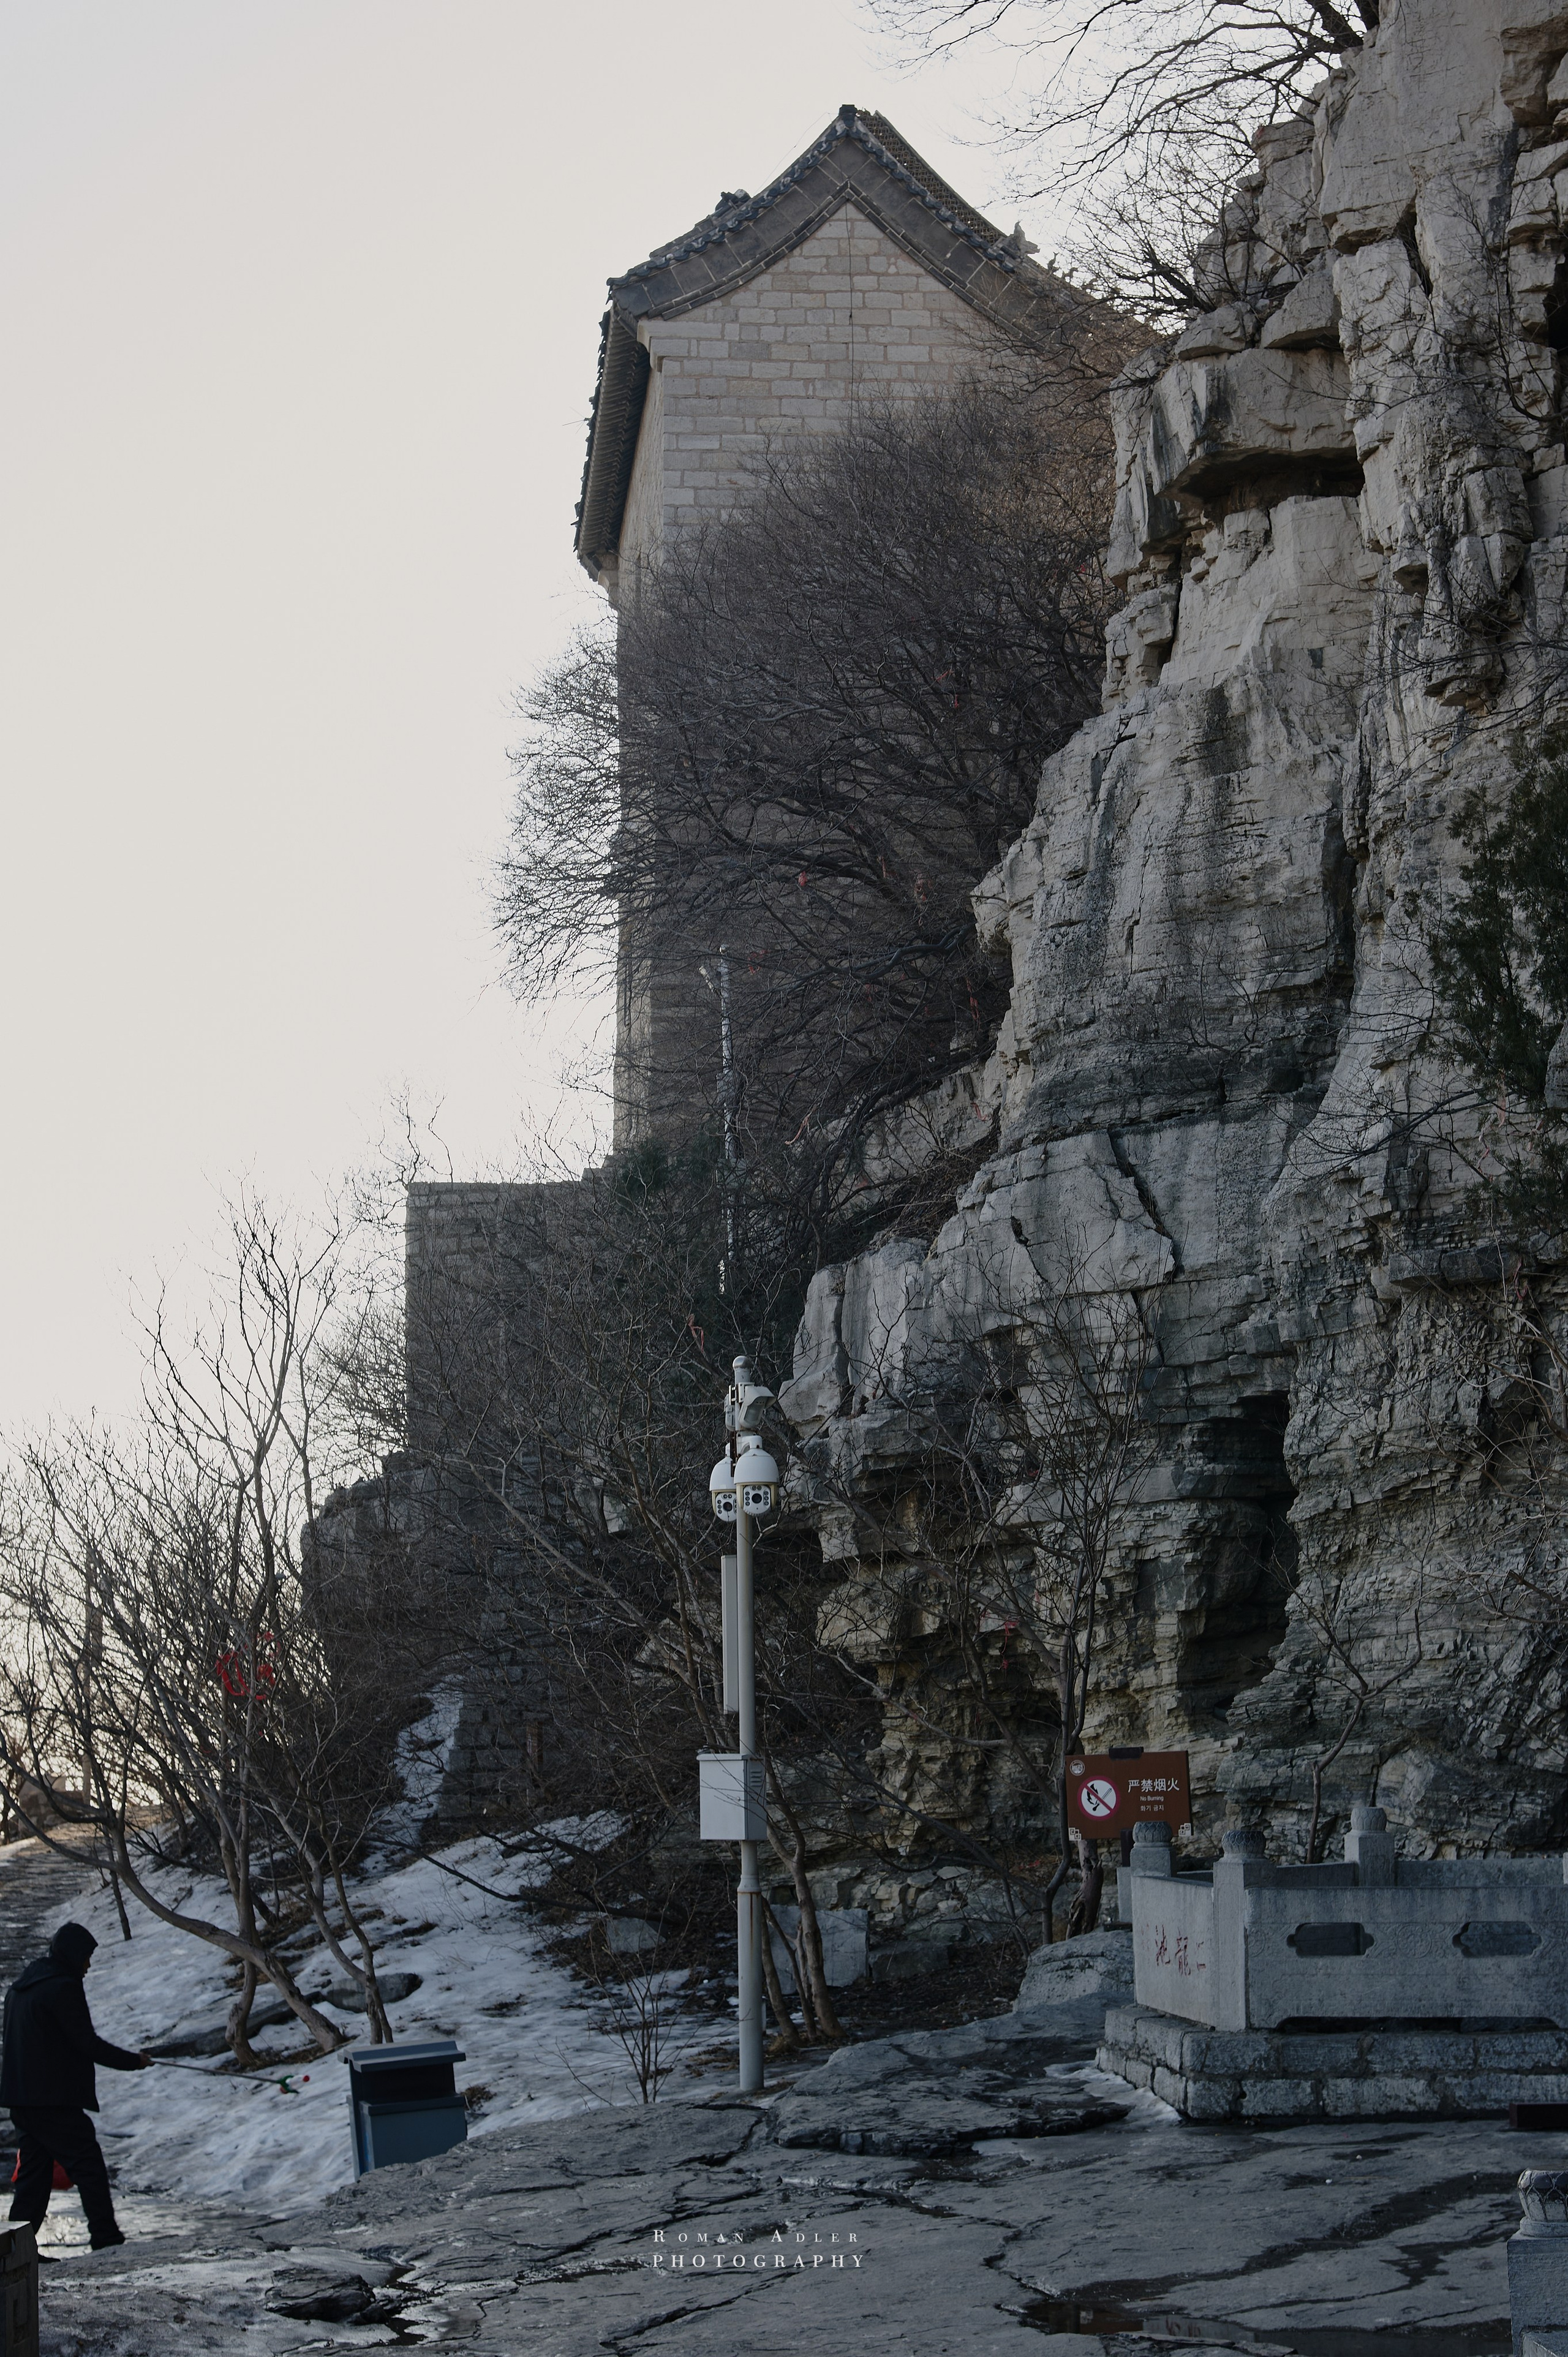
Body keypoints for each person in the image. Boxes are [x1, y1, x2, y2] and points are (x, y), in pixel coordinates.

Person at [0, 1922, 150, 2250]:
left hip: (22, 2099)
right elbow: (87, 2043)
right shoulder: (62, 1986)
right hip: (52, 2100)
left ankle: (16, 2251)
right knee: (89, 2166)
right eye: (87, 1957)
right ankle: (106, 2239)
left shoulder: (22, 1987)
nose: (88, 1966)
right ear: (73, 1955)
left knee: (33, 2180)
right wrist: (133, 2061)